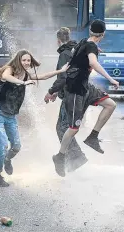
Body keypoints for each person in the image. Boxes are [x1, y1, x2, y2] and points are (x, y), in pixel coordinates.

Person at [0, 49, 69, 187]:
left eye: (28, 60)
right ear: (18, 60)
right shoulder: (9, 70)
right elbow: (7, 77)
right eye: (24, 60)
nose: (26, 63)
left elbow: (43, 76)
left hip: (11, 116)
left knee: (16, 147)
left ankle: (7, 160)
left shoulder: (26, 75)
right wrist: (22, 83)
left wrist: (60, 71)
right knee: (2, 146)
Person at [52, 20, 119, 177]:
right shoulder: (90, 46)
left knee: (110, 105)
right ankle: (60, 157)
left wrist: (94, 50)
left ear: (91, 32)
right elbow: (93, 63)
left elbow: (80, 52)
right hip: (75, 90)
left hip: (85, 87)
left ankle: (93, 137)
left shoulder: (85, 42)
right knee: (72, 128)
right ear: (102, 35)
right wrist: (111, 79)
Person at [44, 27, 88, 172]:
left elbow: (64, 76)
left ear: (58, 40)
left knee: (62, 128)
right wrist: (58, 90)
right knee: (67, 127)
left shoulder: (64, 53)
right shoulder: (76, 49)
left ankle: (76, 158)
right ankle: (74, 158)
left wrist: (52, 91)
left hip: (71, 94)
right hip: (79, 93)